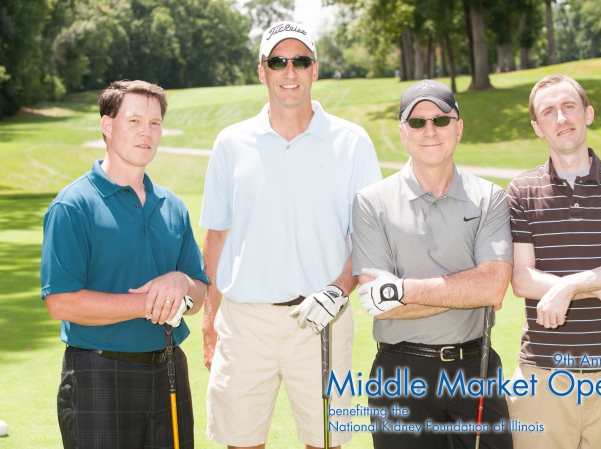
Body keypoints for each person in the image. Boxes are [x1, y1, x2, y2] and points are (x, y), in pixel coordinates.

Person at [200, 21, 381, 449]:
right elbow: (217, 237)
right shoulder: (230, 143)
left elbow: (368, 237)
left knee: (326, 443)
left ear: (314, 70)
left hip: (324, 319)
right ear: (262, 71)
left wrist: (337, 291)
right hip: (245, 322)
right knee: (240, 443)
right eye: (278, 61)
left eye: (300, 60)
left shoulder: (353, 142)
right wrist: (210, 322)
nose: (290, 71)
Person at [41, 80, 209, 449]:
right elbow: (61, 302)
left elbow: (199, 297)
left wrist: (181, 281)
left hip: (169, 369)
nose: (146, 132)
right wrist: (152, 304)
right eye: (133, 120)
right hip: (98, 374)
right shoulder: (73, 206)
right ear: (107, 125)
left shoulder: (173, 206)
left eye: (154, 123)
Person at [352, 79, 514, 449]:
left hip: (477, 367)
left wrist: (402, 289)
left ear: (458, 128)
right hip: (401, 372)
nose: (430, 130)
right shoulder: (371, 202)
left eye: (441, 120)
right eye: (417, 122)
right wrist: (465, 290)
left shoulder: (489, 197)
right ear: (402, 133)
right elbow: (377, 303)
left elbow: (492, 286)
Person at [506, 74, 601, 449]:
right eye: (549, 112)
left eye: (569, 106)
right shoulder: (522, 190)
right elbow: (522, 280)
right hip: (542, 373)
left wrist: (570, 287)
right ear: (537, 127)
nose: (561, 118)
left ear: (587, 114)